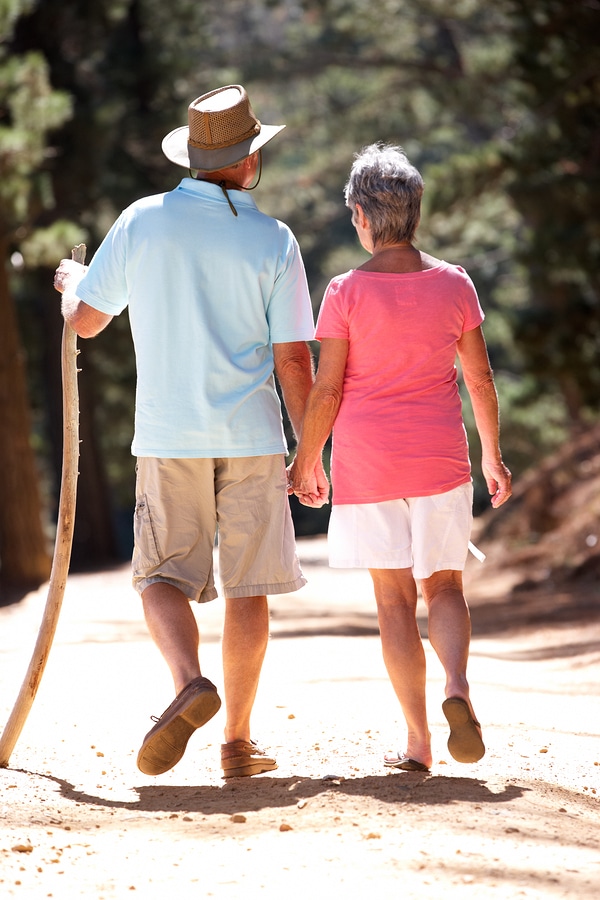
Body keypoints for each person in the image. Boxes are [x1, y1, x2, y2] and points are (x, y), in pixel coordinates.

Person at [54, 84, 328, 780]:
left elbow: (88, 321)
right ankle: (236, 742)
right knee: (248, 587)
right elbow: (293, 357)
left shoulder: (143, 220)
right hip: (252, 435)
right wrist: (312, 452)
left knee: (159, 576)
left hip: (170, 433)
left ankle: (187, 683)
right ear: (247, 163)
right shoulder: (274, 238)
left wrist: (74, 285)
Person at [288, 143, 512, 773]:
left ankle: (418, 741)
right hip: (440, 459)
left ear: (361, 216)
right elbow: (481, 379)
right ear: (414, 212)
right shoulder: (455, 283)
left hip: (369, 466)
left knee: (393, 602)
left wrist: (306, 462)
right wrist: (493, 457)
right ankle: (458, 689)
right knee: (443, 584)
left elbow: (327, 388)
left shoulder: (343, 292)